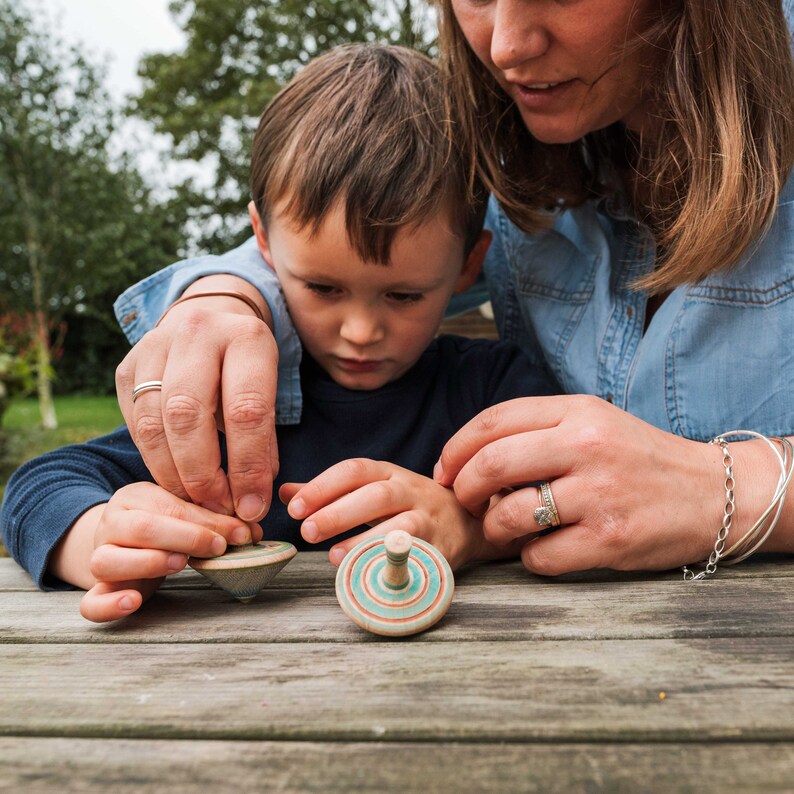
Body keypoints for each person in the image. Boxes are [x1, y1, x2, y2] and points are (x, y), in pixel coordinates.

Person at [105, 0, 794, 580]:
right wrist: (224, 294)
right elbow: (375, 245)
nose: (506, 44)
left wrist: (724, 487)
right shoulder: (508, 159)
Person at [0, 44, 556, 623]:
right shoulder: (235, 397)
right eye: (323, 288)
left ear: (469, 265)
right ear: (262, 242)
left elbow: (571, 497)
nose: (361, 332)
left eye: (404, 295)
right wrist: (99, 540)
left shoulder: (495, 387)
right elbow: (40, 483)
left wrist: (470, 526)